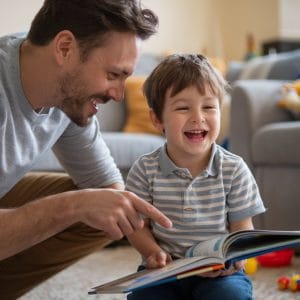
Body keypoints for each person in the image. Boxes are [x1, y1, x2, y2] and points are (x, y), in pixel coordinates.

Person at [0, 1, 173, 298]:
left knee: (109, 206)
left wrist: (164, 254)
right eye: (113, 75)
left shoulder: (66, 96)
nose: (118, 95)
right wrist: (74, 205)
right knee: (86, 204)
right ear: (65, 48)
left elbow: (112, 192)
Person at [125, 54, 266, 300]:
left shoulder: (234, 169)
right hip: (165, 272)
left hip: (220, 275)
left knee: (230, 296)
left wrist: (236, 258)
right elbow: (138, 227)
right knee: (143, 297)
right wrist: (152, 253)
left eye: (209, 107)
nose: (198, 117)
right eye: (182, 108)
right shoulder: (144, 170)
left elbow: (242, 228)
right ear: (157, 119)